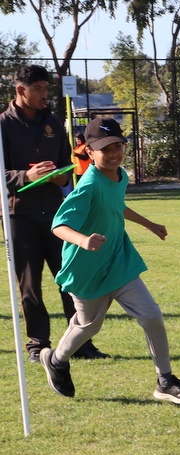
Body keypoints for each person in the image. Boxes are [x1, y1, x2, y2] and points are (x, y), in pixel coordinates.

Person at [39, 117, 180, 404]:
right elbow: (58, 225)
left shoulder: (120, 175)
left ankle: (165, 380)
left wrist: (149, 224)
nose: (114, 153)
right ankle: (57, 360)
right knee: (89, 326)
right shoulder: (88, 185)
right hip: (86, 269)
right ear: (89, 152)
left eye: (118, 146)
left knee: (151, 314)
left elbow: (117, 206)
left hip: (118, 261)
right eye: (105, 148)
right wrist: (83, 240)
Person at [1, 64, 107, 363]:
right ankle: (38, 346)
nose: (45, 94)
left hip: (57, 216)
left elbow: (68, 164)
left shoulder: (54, 122)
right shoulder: (3, 125)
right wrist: (26, 176)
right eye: (38, 89)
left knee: (70, 279)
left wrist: (63, 176)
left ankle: (80, 343)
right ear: (20, 91)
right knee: (30, 284)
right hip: (18, 215)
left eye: (46, 88)